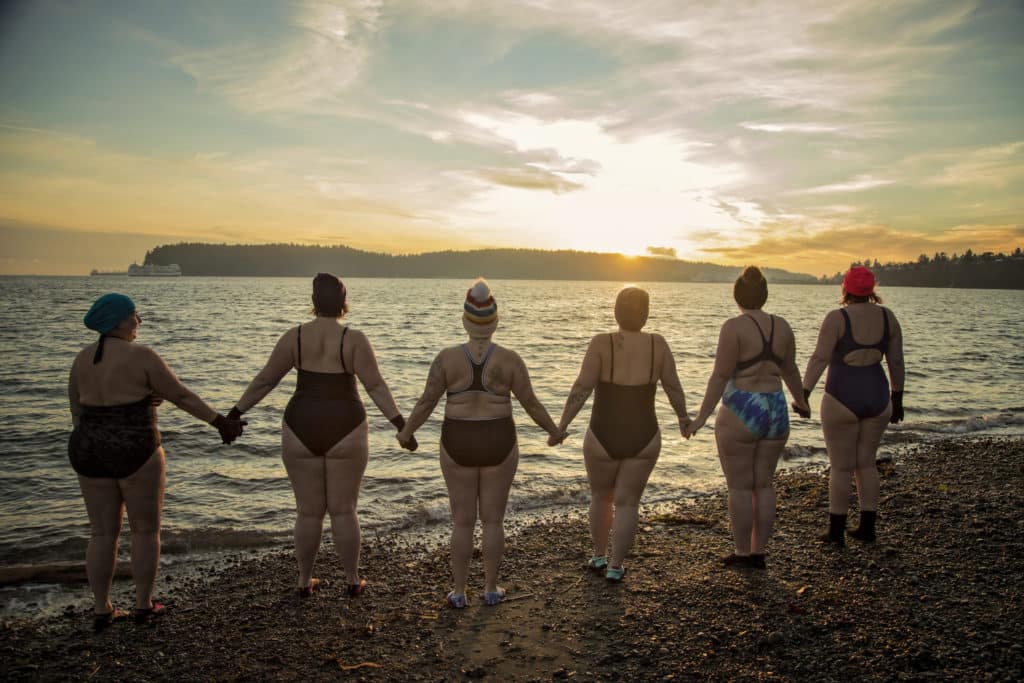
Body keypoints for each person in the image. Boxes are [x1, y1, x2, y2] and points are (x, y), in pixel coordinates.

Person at [228, 274, 411, 597]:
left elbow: (265, 380)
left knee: (308, 510)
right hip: (347, 425)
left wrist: (234, 414)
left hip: (301, 424)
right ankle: (353, 581)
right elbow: (376, 386)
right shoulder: (354, 339)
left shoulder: (295, 337)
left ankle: (303, 581)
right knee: (344, 509)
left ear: (314, 302)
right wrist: (400, 424)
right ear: (343, 303)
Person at [69, 293, 244, 630]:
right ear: (119, 321)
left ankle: (101, 608)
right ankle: (143, 605)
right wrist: (220, 422)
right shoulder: (142, 356)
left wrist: (98, 437)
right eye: (135, 315)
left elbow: (77, 410)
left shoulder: (82, 359)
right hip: (137, 446)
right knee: (145, 530)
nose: (139, 321)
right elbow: (180, 395)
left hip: (89, 448)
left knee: (102, 532)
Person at [397, 279, 563, 608]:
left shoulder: (446, 359)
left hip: (458, 439)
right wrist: (554, 431)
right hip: (498, 439)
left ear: (464, 320)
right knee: (493, 520)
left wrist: (406, 433)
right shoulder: (511, 360)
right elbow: (531, 403)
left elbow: (426, 402)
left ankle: (458, 593)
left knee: (462, 520)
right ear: (496, 321)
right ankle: (490, 589)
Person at [555, 286, 692, 582]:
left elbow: (581, 389)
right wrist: (684, 420)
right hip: (644, 434)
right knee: (628, 503)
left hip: (602, 433)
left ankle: (599, 555)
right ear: (646, 314)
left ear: (616, 312)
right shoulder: (659, 345)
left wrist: (562, 426)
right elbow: (674, 388)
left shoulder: (600, 344)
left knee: (601, 497)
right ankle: (616, 567)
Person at [684, 268, 809, 569]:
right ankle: (759, 553)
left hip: (743, 406)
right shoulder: (783, 326)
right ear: (764, 294)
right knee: (764, 485)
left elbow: (720, 376)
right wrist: (802, 402)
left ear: (737, 295)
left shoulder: (734, 327)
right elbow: (790, 370)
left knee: (740, 486)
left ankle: (742, 553)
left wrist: (701, 417)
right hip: (776, 407)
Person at [801, 266, 904, 545]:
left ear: (845, 289)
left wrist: (804, 392)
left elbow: (820, 358)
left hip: (841, 396)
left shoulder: (837, 318)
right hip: (878, 395)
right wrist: (898, 398)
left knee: (841, 467)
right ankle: (867, 528)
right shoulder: (888, 317)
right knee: (866, 463)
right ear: (872, 291)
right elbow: (895, 361)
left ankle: (836, 532)